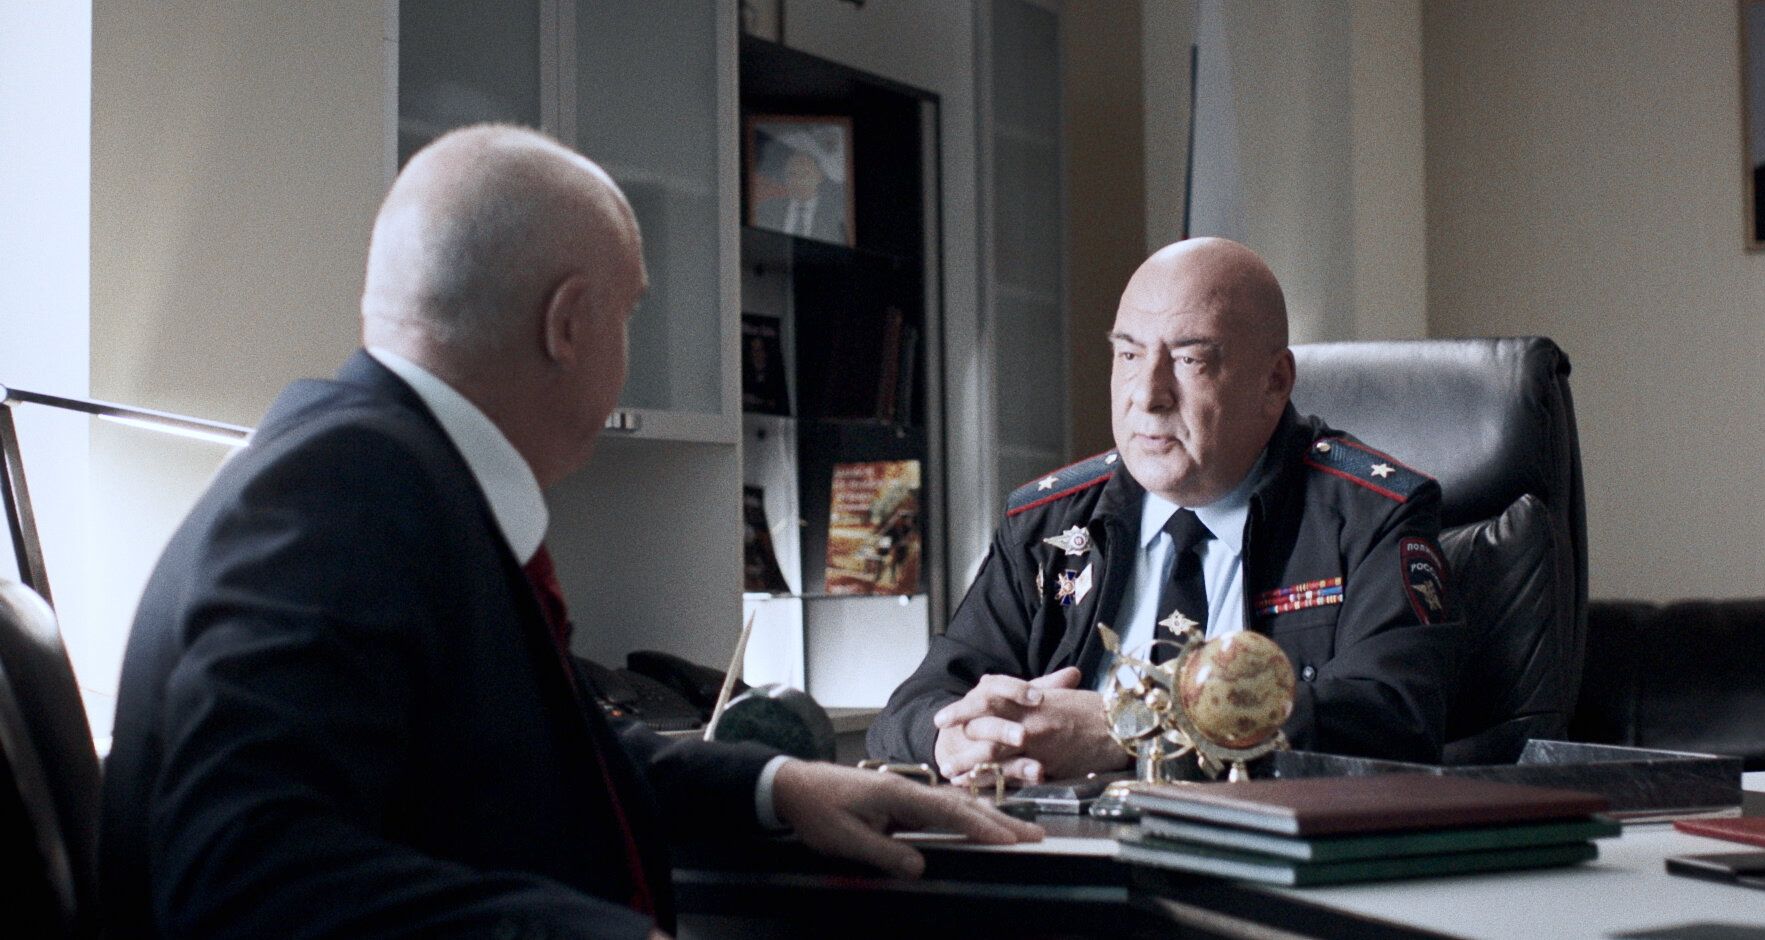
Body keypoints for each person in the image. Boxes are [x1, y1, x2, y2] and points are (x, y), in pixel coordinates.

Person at [98, 125, 1039, 939]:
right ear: (569, 323)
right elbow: (244, 872)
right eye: (628, 314)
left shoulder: (381, 472)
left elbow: (543, 761)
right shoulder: (342, 497)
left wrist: (780, 785)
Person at [868, 238, 1466, 786]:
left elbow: (1395, 722)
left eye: (1189, 361)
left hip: (1257, 855)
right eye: (1129, 355)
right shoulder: (1047, 526)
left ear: (1274, 382)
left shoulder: (1370, 516)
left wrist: (1137, 727)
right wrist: (954, 739)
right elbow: (913, 709)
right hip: (1059, 847)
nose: (1147, 395)